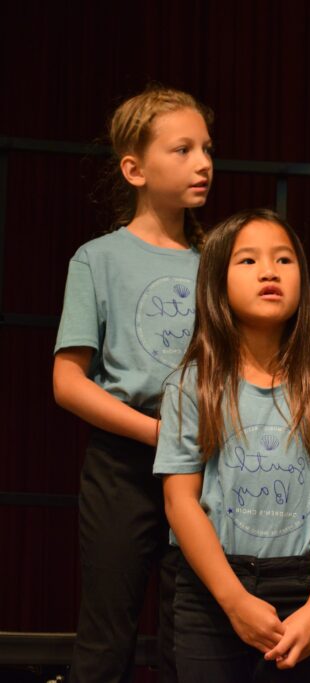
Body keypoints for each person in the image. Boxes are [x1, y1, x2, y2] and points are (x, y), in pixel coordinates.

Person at [155, 209, 310, 681]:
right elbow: (180, 502)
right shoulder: (191, 387)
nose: (270, 271)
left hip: (299, 592)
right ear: (216, 281)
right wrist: (234, 601)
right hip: (211, 591)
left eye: (284, 260)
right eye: (248, 261)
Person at [53, 86, 212, 683]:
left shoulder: (216, 262)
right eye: (183, 149)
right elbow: (68, 382)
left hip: (202, 466)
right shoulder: (98, 259)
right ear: (135, 169)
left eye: (207, 148)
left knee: (189, 639)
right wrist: (155, 432)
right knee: (106, 640)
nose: (203, 163)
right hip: (124, 463)